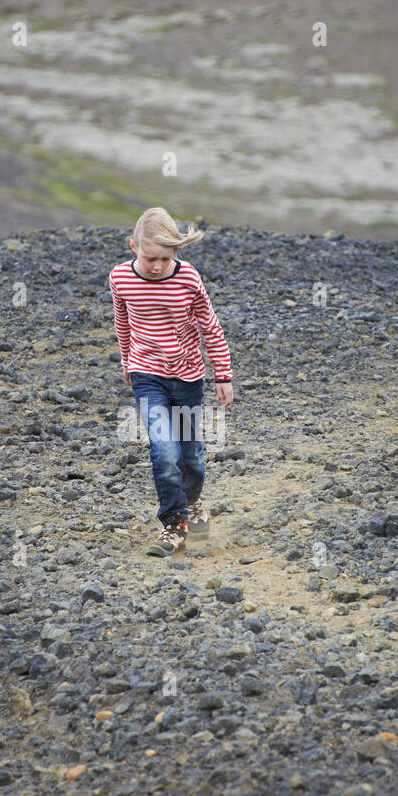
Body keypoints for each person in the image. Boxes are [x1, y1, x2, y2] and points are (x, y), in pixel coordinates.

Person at [109, 207, 235, 556]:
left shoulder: (188, 279)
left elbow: (210, 326)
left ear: (175, 253)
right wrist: (126, 361)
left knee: (191, 453)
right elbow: (123, 322)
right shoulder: (120, 278)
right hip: (147, 376)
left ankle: (193, 504)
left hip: (189, 377)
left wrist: (223, 374)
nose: (156, 266)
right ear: (133, 246)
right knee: (164, 450)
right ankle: (174, 523)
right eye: (150, 257)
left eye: (165, 258)